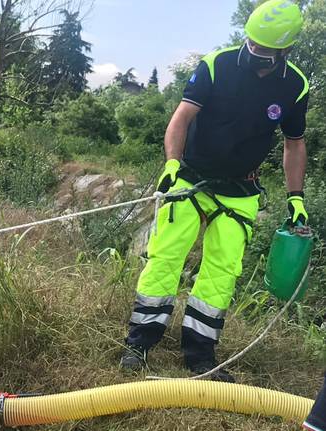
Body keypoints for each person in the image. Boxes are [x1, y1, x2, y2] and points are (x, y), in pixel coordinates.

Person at [119, 0, 309, 382]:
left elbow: (294, 144)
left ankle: (200, 354)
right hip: (191, 178)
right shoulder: (216, 65)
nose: (254, 51)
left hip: (241, 189)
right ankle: (139, 343)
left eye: (264, 49)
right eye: (251, 43)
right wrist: (172, 164)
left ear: (284, 49)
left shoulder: (295, 85)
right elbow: (181, 118)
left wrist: (296, 197)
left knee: (222, 272)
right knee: (165, 258)